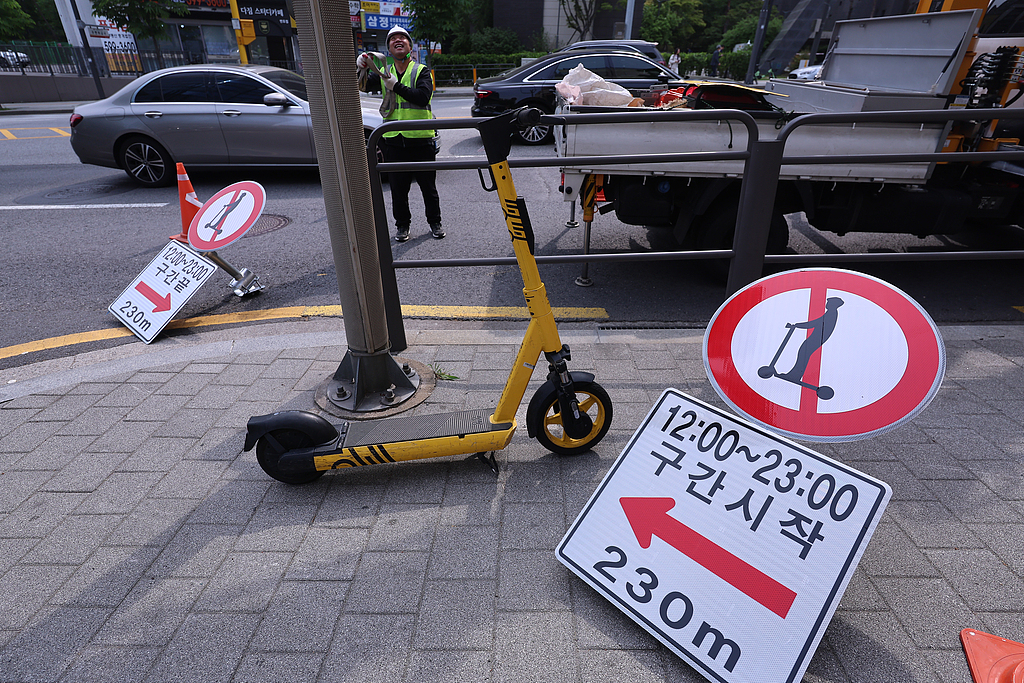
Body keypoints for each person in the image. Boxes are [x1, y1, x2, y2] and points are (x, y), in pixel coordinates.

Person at [357, 25, 443, 242]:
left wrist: (396, 87)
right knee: (398, 190)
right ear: (388, 48)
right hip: (394, 142)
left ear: (409, 45)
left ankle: (435, 222)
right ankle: (402, 226)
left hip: (421, 140)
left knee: (428, 188)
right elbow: (362, 86)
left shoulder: (421, 71)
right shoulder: (385, 72)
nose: (398, 40)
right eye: (393, 38)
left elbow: (422, 97)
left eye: (402, 38)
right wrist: (361, 67)